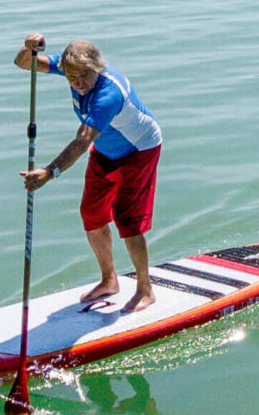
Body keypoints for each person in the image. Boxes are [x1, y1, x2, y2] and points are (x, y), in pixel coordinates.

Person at [16, 34, 166, 312]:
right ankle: (109, 280)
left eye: (85, 76)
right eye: (72, 78)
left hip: (140, 150)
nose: (78, 84)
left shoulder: (108, 95)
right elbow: (26, 64)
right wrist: (28, 49)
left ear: (96, 69)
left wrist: (50, 172)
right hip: (107, 149)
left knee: (127, 219)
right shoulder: (69, 67)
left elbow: (83, 140)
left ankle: (145, 289)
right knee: (92, 214)